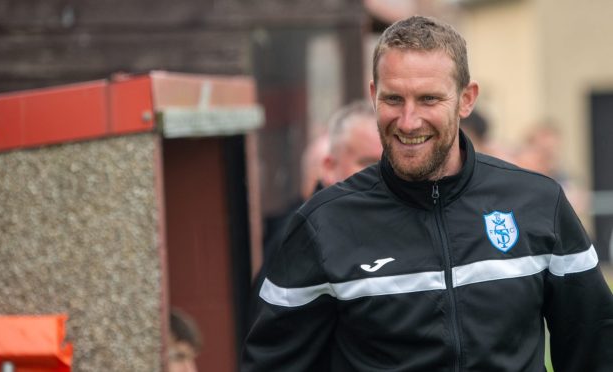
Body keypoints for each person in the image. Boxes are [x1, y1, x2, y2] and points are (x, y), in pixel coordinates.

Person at [241, 15, 613, 371]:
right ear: (373, 96)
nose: (408, 121)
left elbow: (595, 352)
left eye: (429, 99)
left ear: (467, 99)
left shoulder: (538, 203)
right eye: (393, 99)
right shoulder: (322, 225)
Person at [249, 100, 382, 319]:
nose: (380, 175)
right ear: (329, 167)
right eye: (368, 163)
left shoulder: (399, 223)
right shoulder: (303, 237)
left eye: (389, 164)